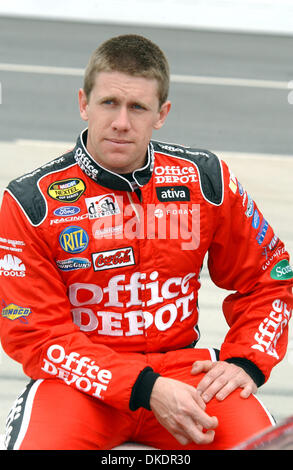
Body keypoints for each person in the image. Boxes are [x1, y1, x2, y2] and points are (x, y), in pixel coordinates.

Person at [0, 34, 292, 451]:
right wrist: (145, 387)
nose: (121, 122)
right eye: (108, 104)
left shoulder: (205, 180)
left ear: (162, 114)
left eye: (138, 107)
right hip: (81, 381)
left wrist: (248, 361)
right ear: (83, 103)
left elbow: (271, 276)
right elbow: (34, 335)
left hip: (187, 375)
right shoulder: (31, 201)